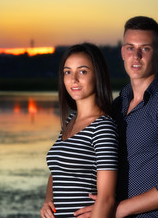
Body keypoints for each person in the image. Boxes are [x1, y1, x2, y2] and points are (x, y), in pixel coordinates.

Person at [75, 16, 158, 217]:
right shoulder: (117, 105)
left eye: (146, 48)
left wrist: (119, 209)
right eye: (130, 47)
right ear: (122, 52)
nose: (136, 56)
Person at [40, 43, 118, 218]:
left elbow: (106, 199)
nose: (73, 79)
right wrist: (47, 201)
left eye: (82, 71)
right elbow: (57, 172)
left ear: (97, 76)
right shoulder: (69, 121)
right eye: (67, 72)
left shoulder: (103, 127)